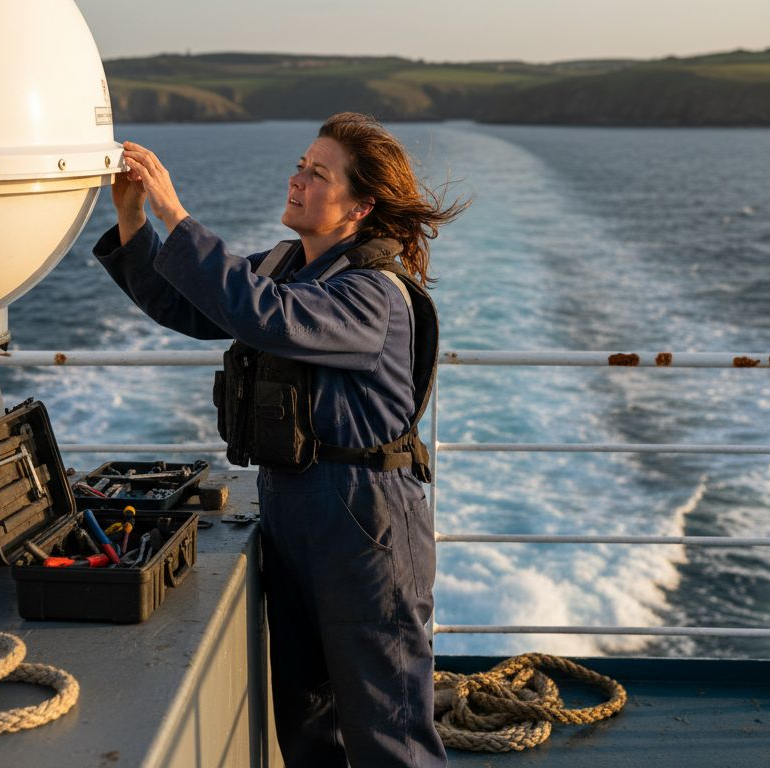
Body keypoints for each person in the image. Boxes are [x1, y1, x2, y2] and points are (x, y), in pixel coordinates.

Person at [93, 112, 466, 767]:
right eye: (300, 165)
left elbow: (265, 315)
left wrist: (175, 211)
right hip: (293, 507)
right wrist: (134, 220)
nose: (297, 180)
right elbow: (195, 306)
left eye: (318, 175)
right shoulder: (288, 264)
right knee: (307, 719)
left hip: (365, 521)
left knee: (389, 730)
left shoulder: (371, 295)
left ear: (361, 206)